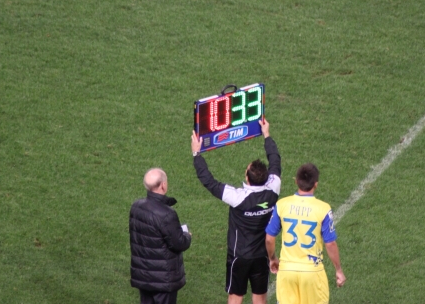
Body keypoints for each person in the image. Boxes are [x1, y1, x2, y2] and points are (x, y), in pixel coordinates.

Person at [192, 118, 281, 304]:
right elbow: (275, 161)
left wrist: (196, 154)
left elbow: (209, 181)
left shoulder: (237, 197)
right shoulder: (273, 189)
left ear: (247, 178)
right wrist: (267, 134)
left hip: (239, 256)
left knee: (235, 298)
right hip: (261, 255)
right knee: (260, 298)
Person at [265, 163, 345, 304]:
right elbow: (330, 243)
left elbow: (269, 239)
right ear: (316, 184)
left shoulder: (282, 204)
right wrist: (338, 270)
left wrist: (272, 258)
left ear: (296, 181)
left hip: (287, 271)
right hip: (312, 273)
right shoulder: (323, 208)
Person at [129, 168, 192, 304]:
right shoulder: (167, 214)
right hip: (163, 279)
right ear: (163, 185)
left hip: (143, 276)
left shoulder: (136, 207)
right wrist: (187, 235)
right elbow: (179, 243)